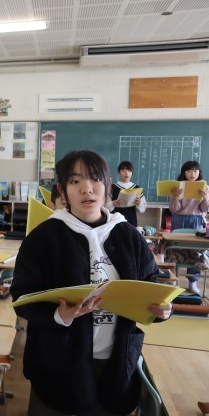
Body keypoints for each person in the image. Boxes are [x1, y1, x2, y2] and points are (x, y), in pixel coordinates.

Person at [10, 150, 171, 416]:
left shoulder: (129, 235)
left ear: (108, 185)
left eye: (95, 179)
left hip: (115, 361)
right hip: (57, 361)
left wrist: (163, 309)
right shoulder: (43, 238)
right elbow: (21, 296)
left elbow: (152, 284)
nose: (87, 189)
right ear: (62, 190)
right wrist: (59, 315)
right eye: (75, 181)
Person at [166, 160, 209, 294]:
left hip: (196, 220)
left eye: (195, 171)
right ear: (184, 172)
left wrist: (206, 198)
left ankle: (193, 282)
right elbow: (174, 209)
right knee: (176, 250)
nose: (192, 174)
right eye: (189, 170)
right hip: (179, 220)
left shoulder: (205, 188)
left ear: (199, 172)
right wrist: (175, 197)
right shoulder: (178, 187)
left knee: (196, 251)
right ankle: (173, 280)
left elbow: (205, 209)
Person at [107, 161, 146, 227]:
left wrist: (139, 203)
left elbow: (143, 209)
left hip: (131, 221)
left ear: (132, 173)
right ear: (119, 172)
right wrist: (113, 203)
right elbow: (105, 206)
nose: (126, 173)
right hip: (115, 221)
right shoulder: (112, 187)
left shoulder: (137, 188)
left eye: (129, 171)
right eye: (123, 171)